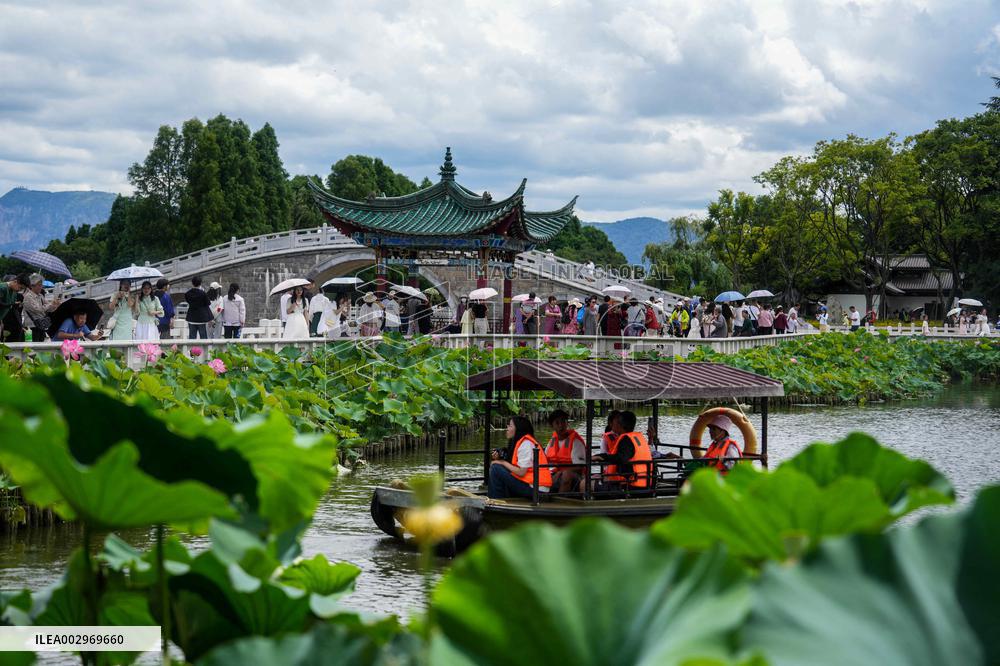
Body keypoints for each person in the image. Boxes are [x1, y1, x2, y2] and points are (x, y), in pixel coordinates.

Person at [488, 416, 551, 499]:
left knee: (496, 468)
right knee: (498, 466)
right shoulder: (519, 443)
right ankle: (501, 497)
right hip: (529, 483)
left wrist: (502, 462)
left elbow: (521, 472)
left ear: (518, 429)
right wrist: (500, 459)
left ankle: (496, 500)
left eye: (510, 426)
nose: (507, 428)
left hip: (537, 489)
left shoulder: (526, 444)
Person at [593, 411, 652, 491]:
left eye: (616, 422)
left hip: (630, 485)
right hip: (644, 482)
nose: (613, 425)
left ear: (620, 425)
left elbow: (621, 458)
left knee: (586, 483)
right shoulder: (638, 437)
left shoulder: (626, 439)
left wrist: (603, 457)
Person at [544, 409, 587, 494]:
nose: (561, 426)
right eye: (557, 423)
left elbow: (579, 467)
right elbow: (545, 461)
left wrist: (560, 473)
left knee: (567, 475)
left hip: (575, 477)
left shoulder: (575, 441)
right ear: (552, 425)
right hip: (555, 473)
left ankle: (560, 501)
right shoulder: (552, 442)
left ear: (567, 423)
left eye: (563, 422)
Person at [22, 273, 61, 342]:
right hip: (31, 327)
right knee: (33, 347)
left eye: (41, 285)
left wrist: (55, 305)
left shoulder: (40, 296)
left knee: (40, 346)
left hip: (41, 325)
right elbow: (38, 309)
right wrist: (50, 304)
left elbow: (48, 309)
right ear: (32, 285)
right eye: (39, 285)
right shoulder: (28, 297)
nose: (41, 287)